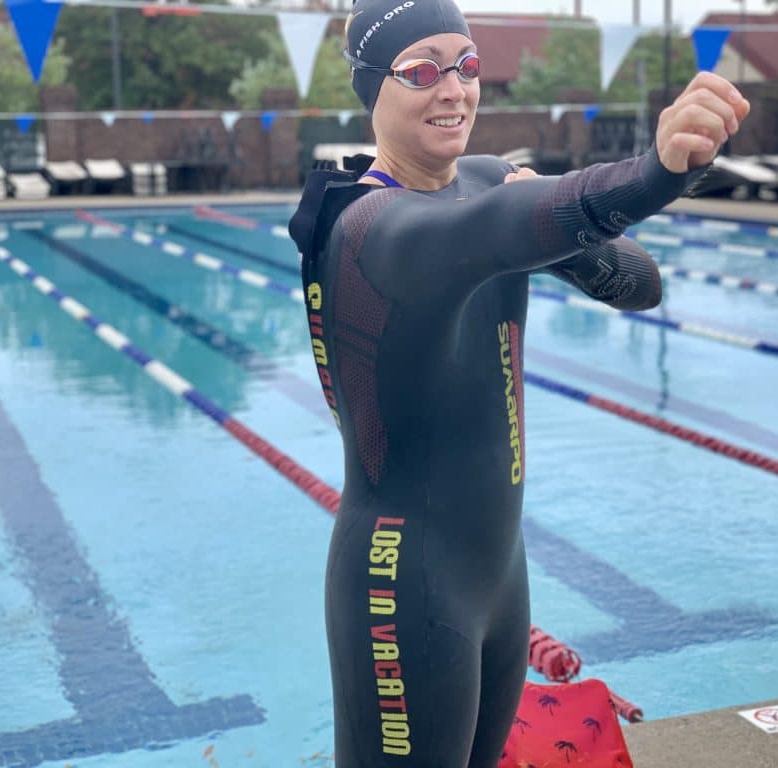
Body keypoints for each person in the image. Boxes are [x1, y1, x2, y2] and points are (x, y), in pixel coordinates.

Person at [287, 1, 750, 765]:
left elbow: (641, 285)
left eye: (466, 65)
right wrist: (655, 172)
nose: (453, 89)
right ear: (374, 86)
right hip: (405, 581)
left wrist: (562, 230)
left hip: (499, 574)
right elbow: (496, 225)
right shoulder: (370, 228)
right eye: (421, 71)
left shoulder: (482, 182)